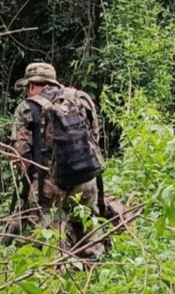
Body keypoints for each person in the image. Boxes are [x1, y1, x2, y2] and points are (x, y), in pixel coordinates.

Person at [8, 62, 105, 256]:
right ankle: (93, 275)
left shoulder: (27, 108)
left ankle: (55, 278)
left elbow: (21, 155)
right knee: (88, 233)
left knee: (50, 243)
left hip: (49, 186)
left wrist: (30, 187)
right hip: (86, 180)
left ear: (32, 85)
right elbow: (94, 138)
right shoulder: (82, 100)